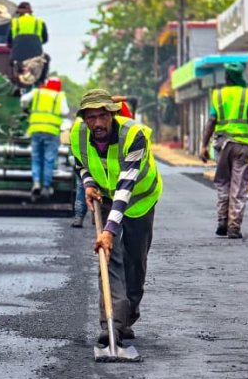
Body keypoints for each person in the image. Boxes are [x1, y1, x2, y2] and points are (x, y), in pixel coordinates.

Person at [71, 88, 162, 346]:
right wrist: (89, 183)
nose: (98, 123)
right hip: (105, 196)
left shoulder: (134, 136)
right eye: (91, 117)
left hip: (139, 199)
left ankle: (128, 314)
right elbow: (80, 163)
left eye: (103, 116)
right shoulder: (78, 135)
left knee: (135, 261)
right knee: (108, 257)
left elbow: (126, 186)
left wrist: (110, 230)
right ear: (84, 119)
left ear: (112, 114)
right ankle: (112, 325)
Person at [199, 63, 248, 239]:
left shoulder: (218, 95)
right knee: (239, 186)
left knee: (223, 183)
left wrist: (203, 145)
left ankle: (222, 220)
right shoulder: (247, 94)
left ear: (227, 77)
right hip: (242, 146)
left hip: (222, 145)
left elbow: (212, 121)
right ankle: (233, 226)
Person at [71, 98, 134, 227]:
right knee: (85, 186)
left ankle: (85, 215)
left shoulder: (126, 128)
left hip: (115, 177)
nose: (98, 122)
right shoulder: (81, 130)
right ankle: (84, 214)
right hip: (93, 166)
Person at [21, 77, 68, 198]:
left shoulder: (37, 92)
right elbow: (65, 111)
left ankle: (36, 182)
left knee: (36, 158)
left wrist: (26, 109)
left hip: (36, 130)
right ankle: (46, 186)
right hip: (51, 132)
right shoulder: (59, 96)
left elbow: (24, 99)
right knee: (49, 159)